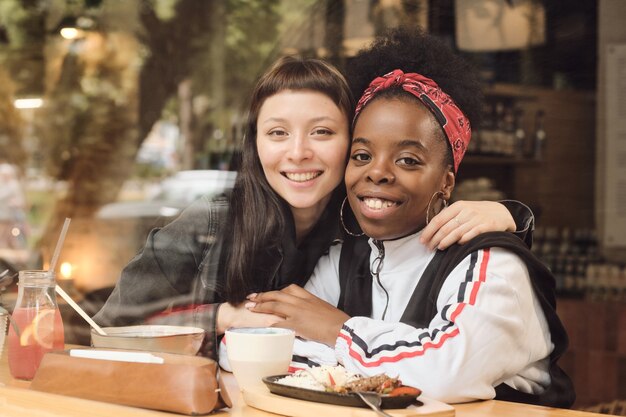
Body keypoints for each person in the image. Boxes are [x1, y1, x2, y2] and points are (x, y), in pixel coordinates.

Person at [94, 55, 533, 360]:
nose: (298, 153)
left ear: (352, 144)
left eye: (322, 132)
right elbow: (106, 333)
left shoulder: (363, 223)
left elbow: (427, 207)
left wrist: (512, 215)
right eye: (278, 133)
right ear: (256, 145)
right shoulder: (212, 222)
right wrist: (222, 316)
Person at [246, 28, 575, 407]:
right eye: (362, 156)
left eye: (408, 160)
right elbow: (282, 354)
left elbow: (446, 373)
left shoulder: (490, 264)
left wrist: (337, 330)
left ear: (447, 181)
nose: (378, 173)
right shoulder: (344, 259)